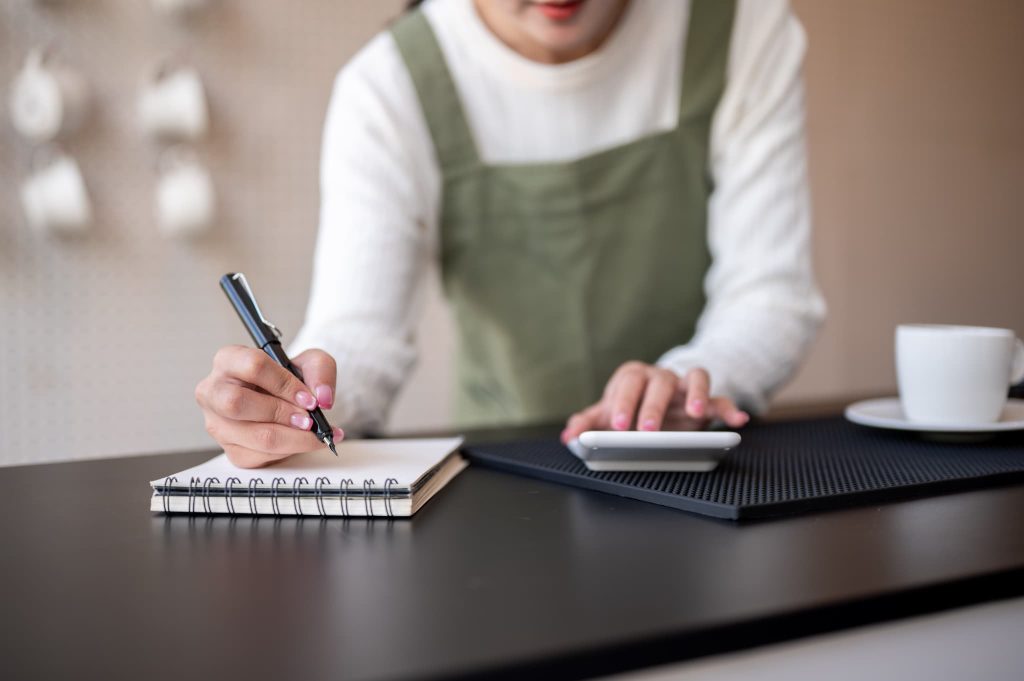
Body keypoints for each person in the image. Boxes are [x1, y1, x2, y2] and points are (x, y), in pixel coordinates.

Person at [195, 0, 825, 468]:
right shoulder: (390, 85)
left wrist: (694, 378)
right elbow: (362, 332)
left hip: (704, 462)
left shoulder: (742, 30)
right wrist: (296, 401)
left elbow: (770, 296)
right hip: (508, 477)